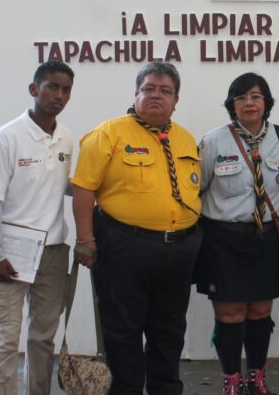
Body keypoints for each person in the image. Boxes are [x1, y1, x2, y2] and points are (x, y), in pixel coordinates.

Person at [72, 62, 203, 394]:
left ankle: (165, 389)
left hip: (179, 249)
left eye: (165, 90)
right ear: (136, 94)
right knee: (123, 331)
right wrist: (85, 239)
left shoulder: (185, 139)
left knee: (170, 329)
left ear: (176, 99)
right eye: (149, 88)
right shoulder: (109, 133)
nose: (156, 95)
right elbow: (84, 188)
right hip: (124, 247)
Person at [197, 72, 279, 395]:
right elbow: (197, 191)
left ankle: (256, 377)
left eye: (255, 96)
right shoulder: (214, 141)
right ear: (232, 105)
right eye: (240, 98)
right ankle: (231, 379)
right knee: (229, 312)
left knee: (259, 311)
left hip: (266, 238)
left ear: (266, 102)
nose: (249, 103)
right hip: (222, 239)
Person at [0, 61, 74, 395]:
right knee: (6, 341)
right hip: (10, 253)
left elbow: (61, 185)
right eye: (51, 86)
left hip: (53, 252)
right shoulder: (7, 137)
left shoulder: (66, 138)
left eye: (65, 89)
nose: (58, 95)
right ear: (34, 89)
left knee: (42, 339)